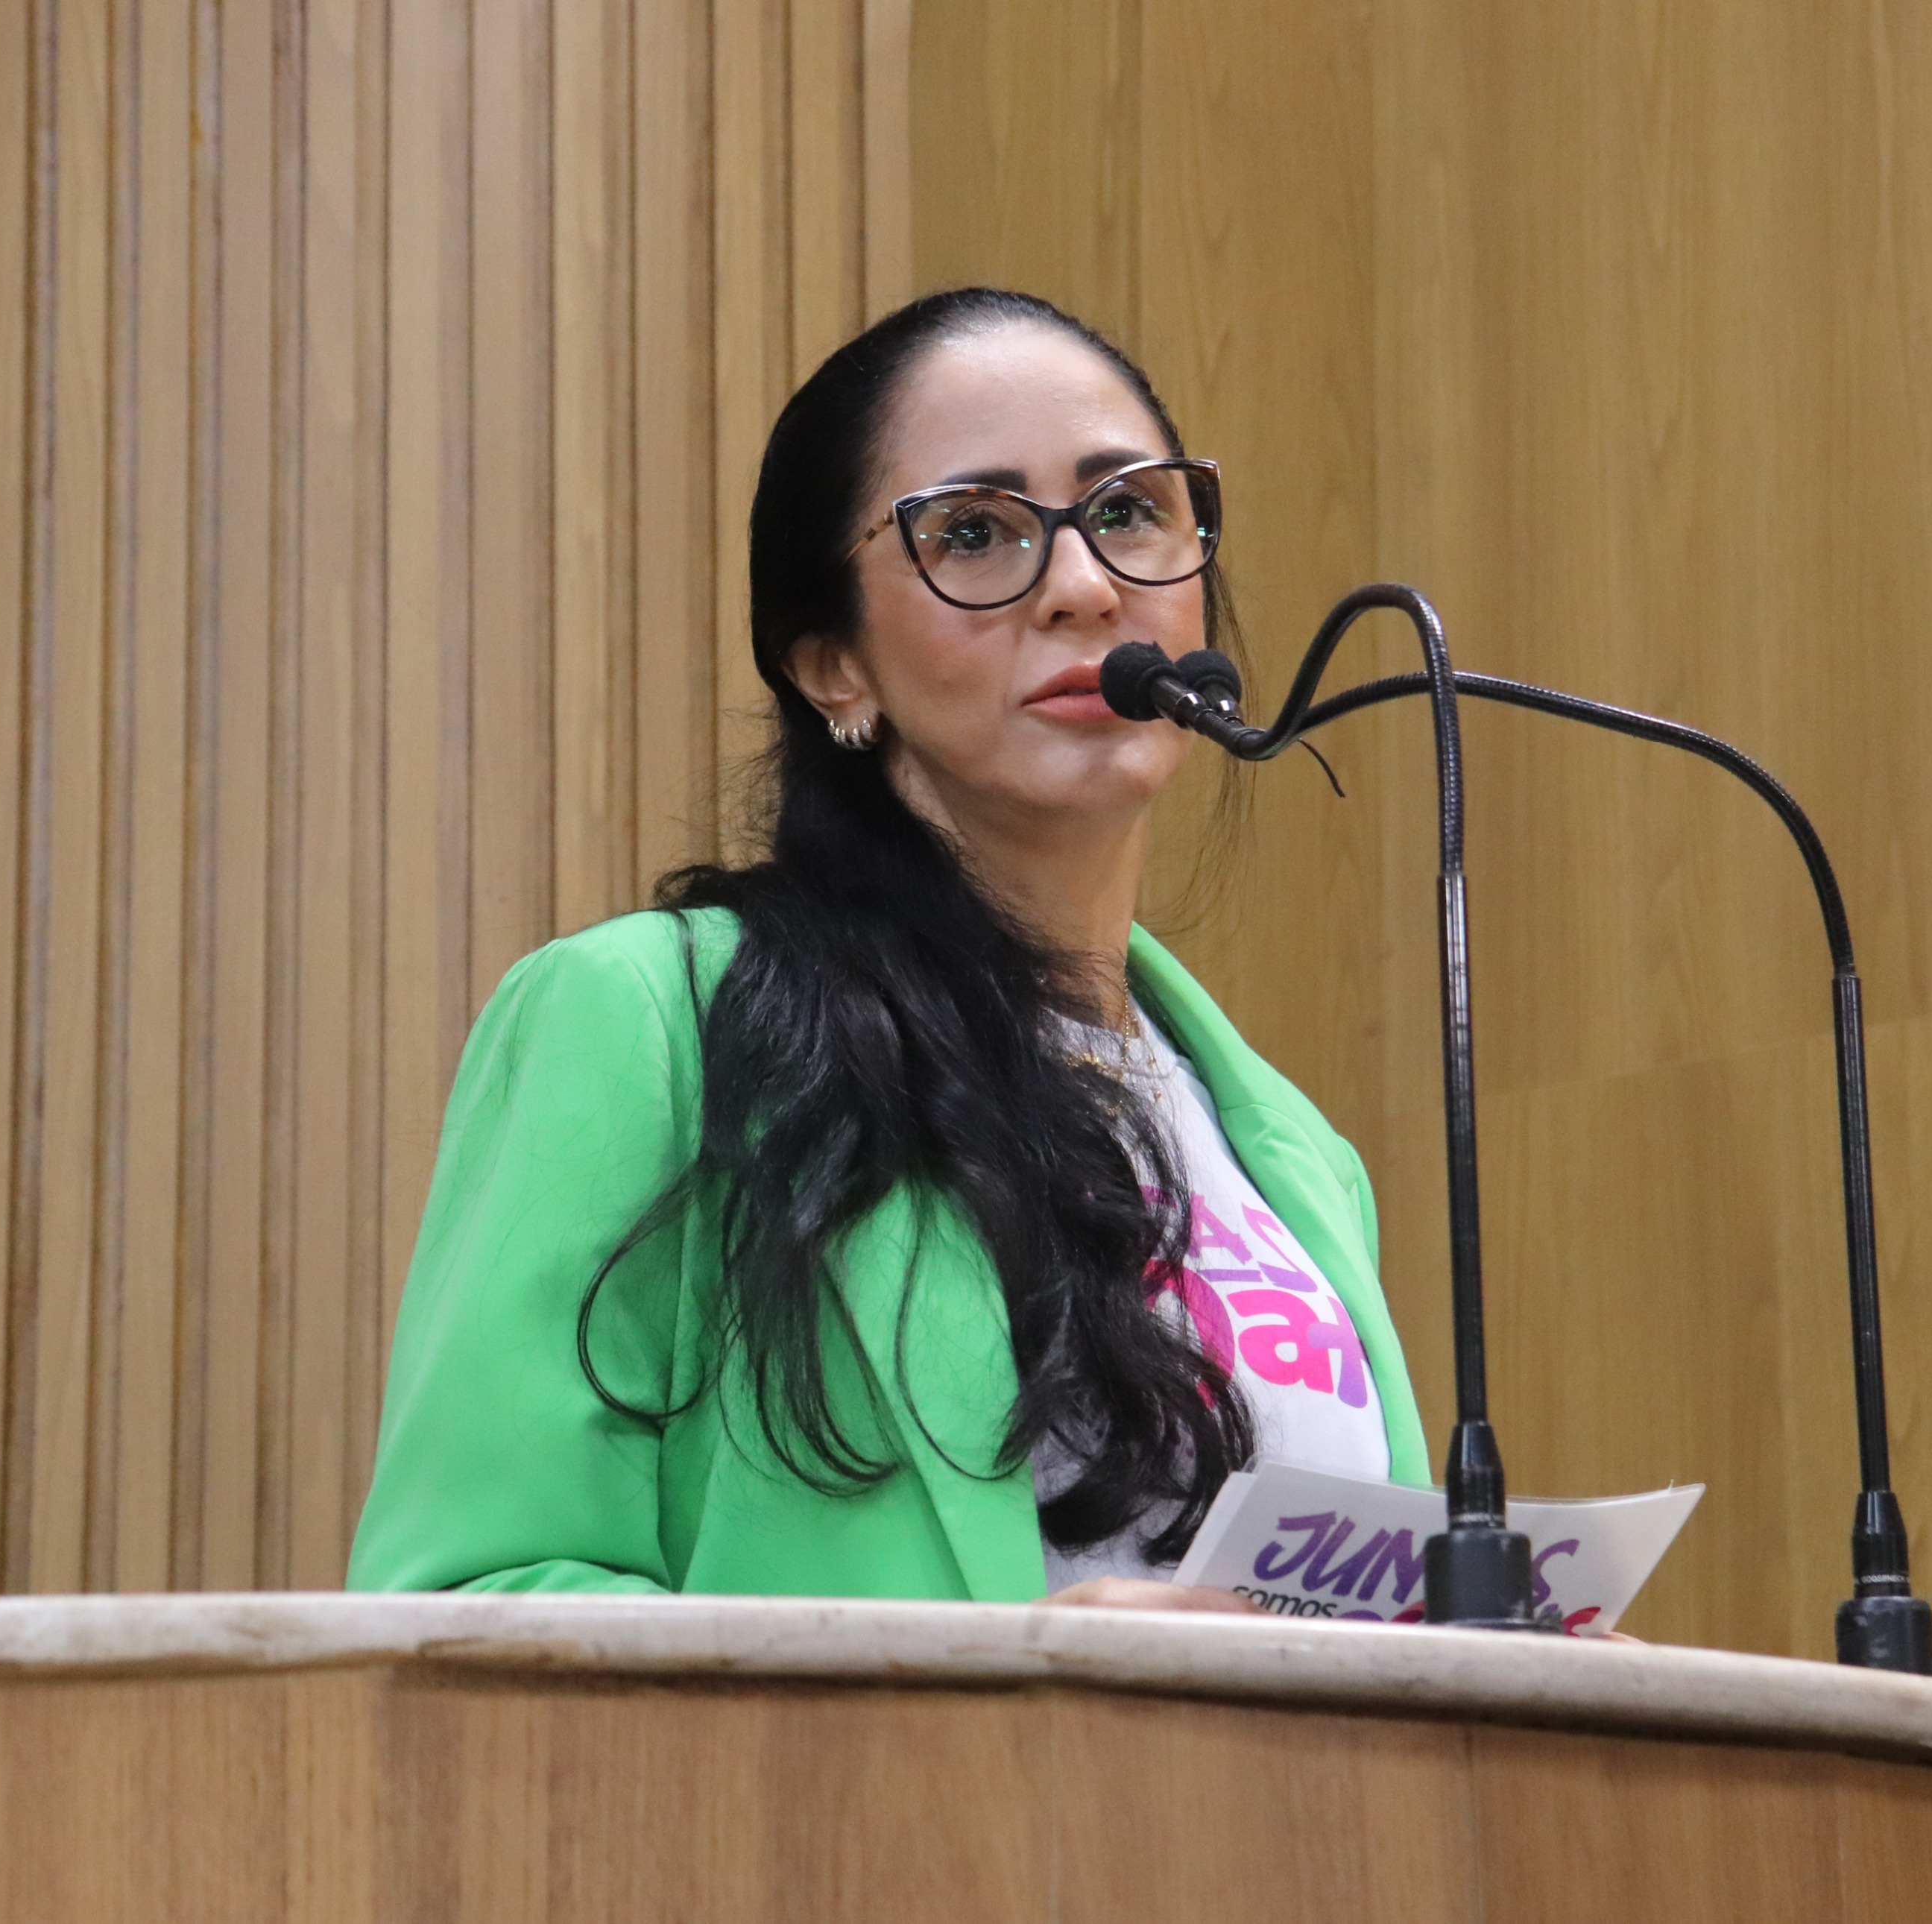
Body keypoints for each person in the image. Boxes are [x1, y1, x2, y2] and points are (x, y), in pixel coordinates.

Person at [347, 288, 1430, 1612]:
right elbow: (462, 1611)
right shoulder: (648, 1022)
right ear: (833, 667)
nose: (1085, 587)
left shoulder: (1299, 1160)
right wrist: (1008, 1698)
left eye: (1128, 511)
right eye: (974, 531)